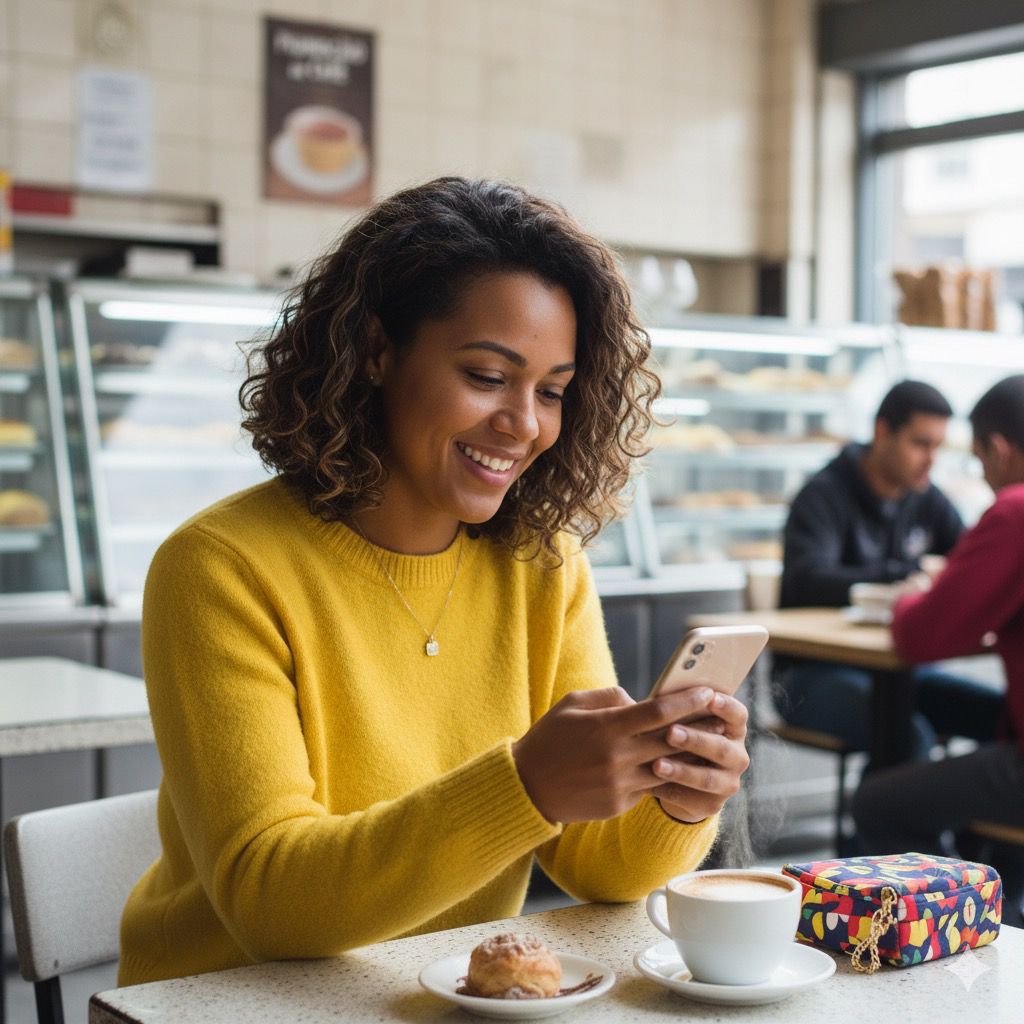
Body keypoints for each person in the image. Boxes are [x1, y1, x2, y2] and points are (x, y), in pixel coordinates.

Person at [119, 177, 750, 985]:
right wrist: (524, 784)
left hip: (445, 998)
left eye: (552, 391)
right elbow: (268, 897)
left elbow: (605, 869)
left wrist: (676, 798)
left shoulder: (542, 563)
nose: (525, 424)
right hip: (221, 998)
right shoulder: (221, 566)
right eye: (489, 375)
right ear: (378, 351)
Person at [853, 375, 1024, 924]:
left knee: (879, 802)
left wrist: (911, 600)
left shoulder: (1015, 511)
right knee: (960, 717)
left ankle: (966, 921)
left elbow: (921, 636)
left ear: (996, 450)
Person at [775, 380, 1001, 761]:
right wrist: (906, 573)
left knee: (1000, 718)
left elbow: (969, 557)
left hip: (901, 670)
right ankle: (880, 815)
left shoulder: (925, 496)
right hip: (809, 678)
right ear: (882, 432)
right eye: (920, 444)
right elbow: (807, 580)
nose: (931, 459)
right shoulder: (823, 494)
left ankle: (962, 820)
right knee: (907, 736)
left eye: (938, 447)